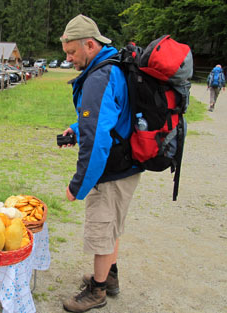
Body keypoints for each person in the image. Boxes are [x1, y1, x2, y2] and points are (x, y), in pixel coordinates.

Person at [59, 14, 142, 312]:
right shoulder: (110, 66)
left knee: (101, 230)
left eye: (72, 53)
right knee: (112, 228)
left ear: (90, 44)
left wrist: (79, 184)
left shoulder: (98, 76)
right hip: (127, 164)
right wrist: (76, 127)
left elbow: (96, 142)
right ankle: (110, 277)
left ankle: (97, 292)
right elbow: (106, 119)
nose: (68, 59)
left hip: (112, 170)